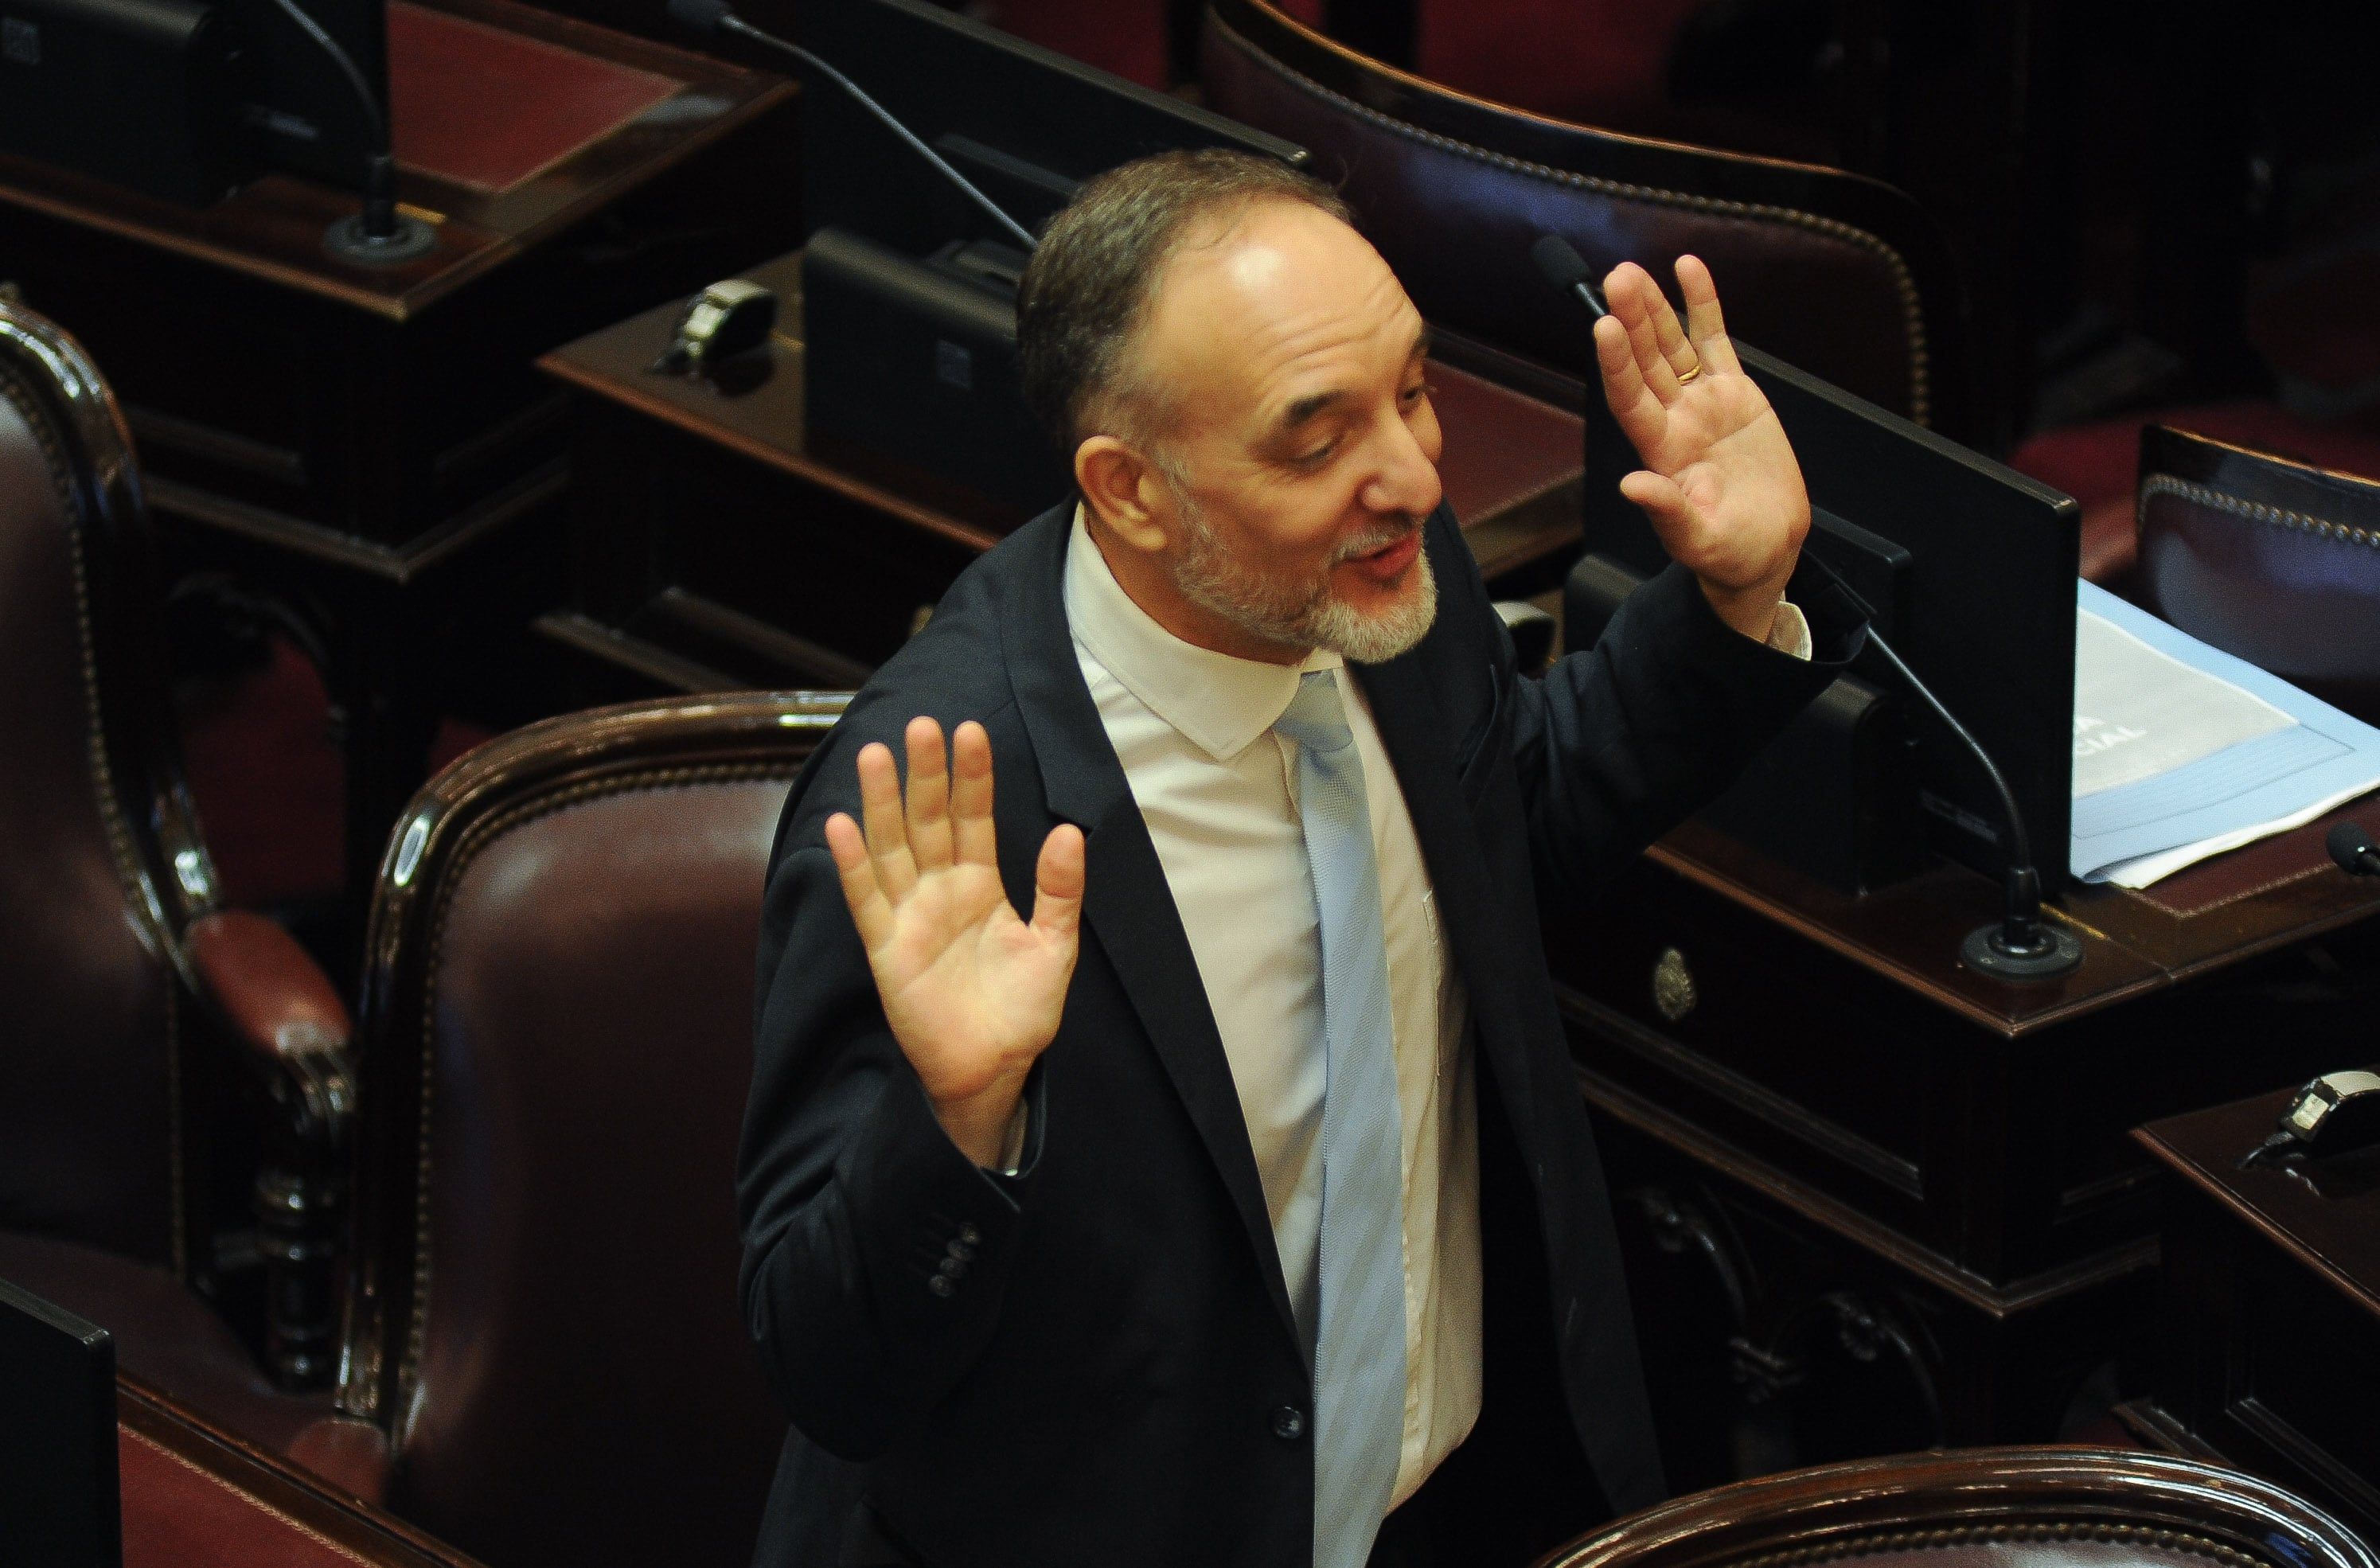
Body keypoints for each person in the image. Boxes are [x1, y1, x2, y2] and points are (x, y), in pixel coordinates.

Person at [739, 149, 1860, 1568]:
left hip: (1449, 1506)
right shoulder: (948, 808)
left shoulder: (1369, 578)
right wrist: (959, 1126)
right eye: (1315, 440)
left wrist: (1735, 590)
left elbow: (1502, 828)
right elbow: (827, 1365)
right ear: (1131, 492)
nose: (1414, 474)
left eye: (1414, 389)